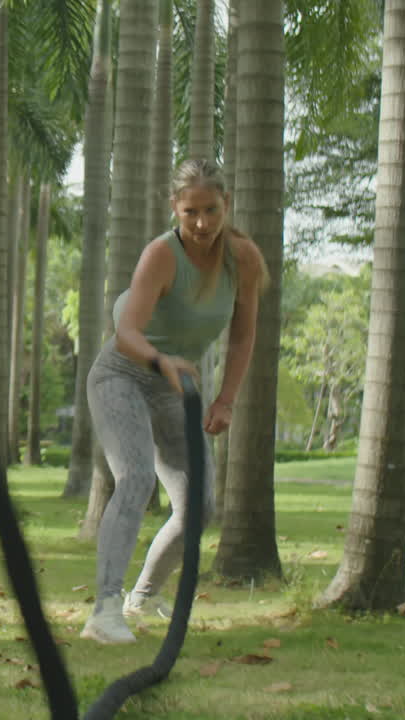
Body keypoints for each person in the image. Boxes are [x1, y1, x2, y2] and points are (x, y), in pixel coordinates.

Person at [80, 158, 268, 644]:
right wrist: (162, 359)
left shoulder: (243, 258)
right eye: (191, 213)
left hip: (174, 386)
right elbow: (125, 332)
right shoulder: (161, 255)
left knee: (199, 506)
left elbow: (244, 336)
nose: (202, 224)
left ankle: (143, 596)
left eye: (211, 210)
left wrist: (225, 400)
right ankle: (103, 610)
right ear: (175, 209)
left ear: (226, 205)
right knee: (137, 477)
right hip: (122, 374)